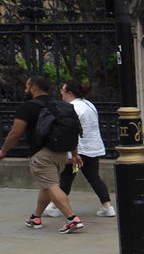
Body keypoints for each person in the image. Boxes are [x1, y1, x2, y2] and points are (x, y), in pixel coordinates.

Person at [0, 74, 82, 233]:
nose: (25, 89)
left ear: (34, 88)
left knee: (51, 186)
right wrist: (74, 153)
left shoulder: (27, 107)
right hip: (61, 153)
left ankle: (72, 219)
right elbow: (73, 130)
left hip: (42, 155)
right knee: (47, 186)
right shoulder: (60, 104)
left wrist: (3, 151)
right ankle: (35, 217)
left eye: (27, 86)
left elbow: (15, 134)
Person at [43, 81, 114, 220]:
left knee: (66, 178)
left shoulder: (72, 107)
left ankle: (54, 207)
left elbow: (70, 130)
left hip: (78, 150)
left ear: (69, 93)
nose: (60, 92)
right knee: (94, 177)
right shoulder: (89, 105)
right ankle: (107, 207)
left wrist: (70, 153)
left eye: (62, 90)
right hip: (93, 148)